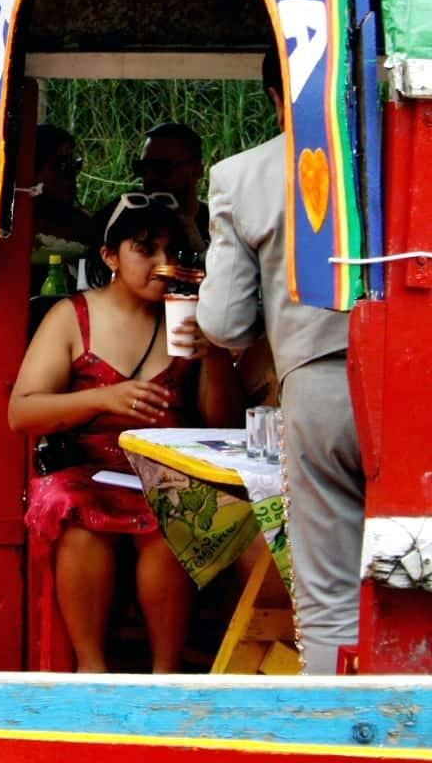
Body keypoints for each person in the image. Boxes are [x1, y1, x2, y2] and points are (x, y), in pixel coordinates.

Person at [9, 196, 241, 672]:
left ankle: (165, 674)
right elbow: (22, 413)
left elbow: (223, 426)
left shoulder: (191, 320)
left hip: (169, 469)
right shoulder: (72, 317)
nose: (163, 265)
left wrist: (214, 356)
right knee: (80, 520)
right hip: (85, 467)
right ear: (109, 257)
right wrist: (102, 399)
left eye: (173, 252)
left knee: (170, 526)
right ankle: (90, 669)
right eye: (146, 250)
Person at [196, 47, 358, 675]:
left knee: (328, 598)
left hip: (318, 385)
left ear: (274, 97)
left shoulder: (245, 175)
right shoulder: (407, 153)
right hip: (413, 374)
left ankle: (338, 741)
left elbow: (225, 323)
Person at [98, 123, 209, 256]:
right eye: (142, 168)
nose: (149, 177)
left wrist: (202, 252)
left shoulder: (220, 223)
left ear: (197, 170)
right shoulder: (121, 220)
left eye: (162, 167)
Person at [34, 124, 94, 248]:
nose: (71, 173)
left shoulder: (84, 227)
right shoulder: (14, 228)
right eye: (61, 164)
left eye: (74, 164)